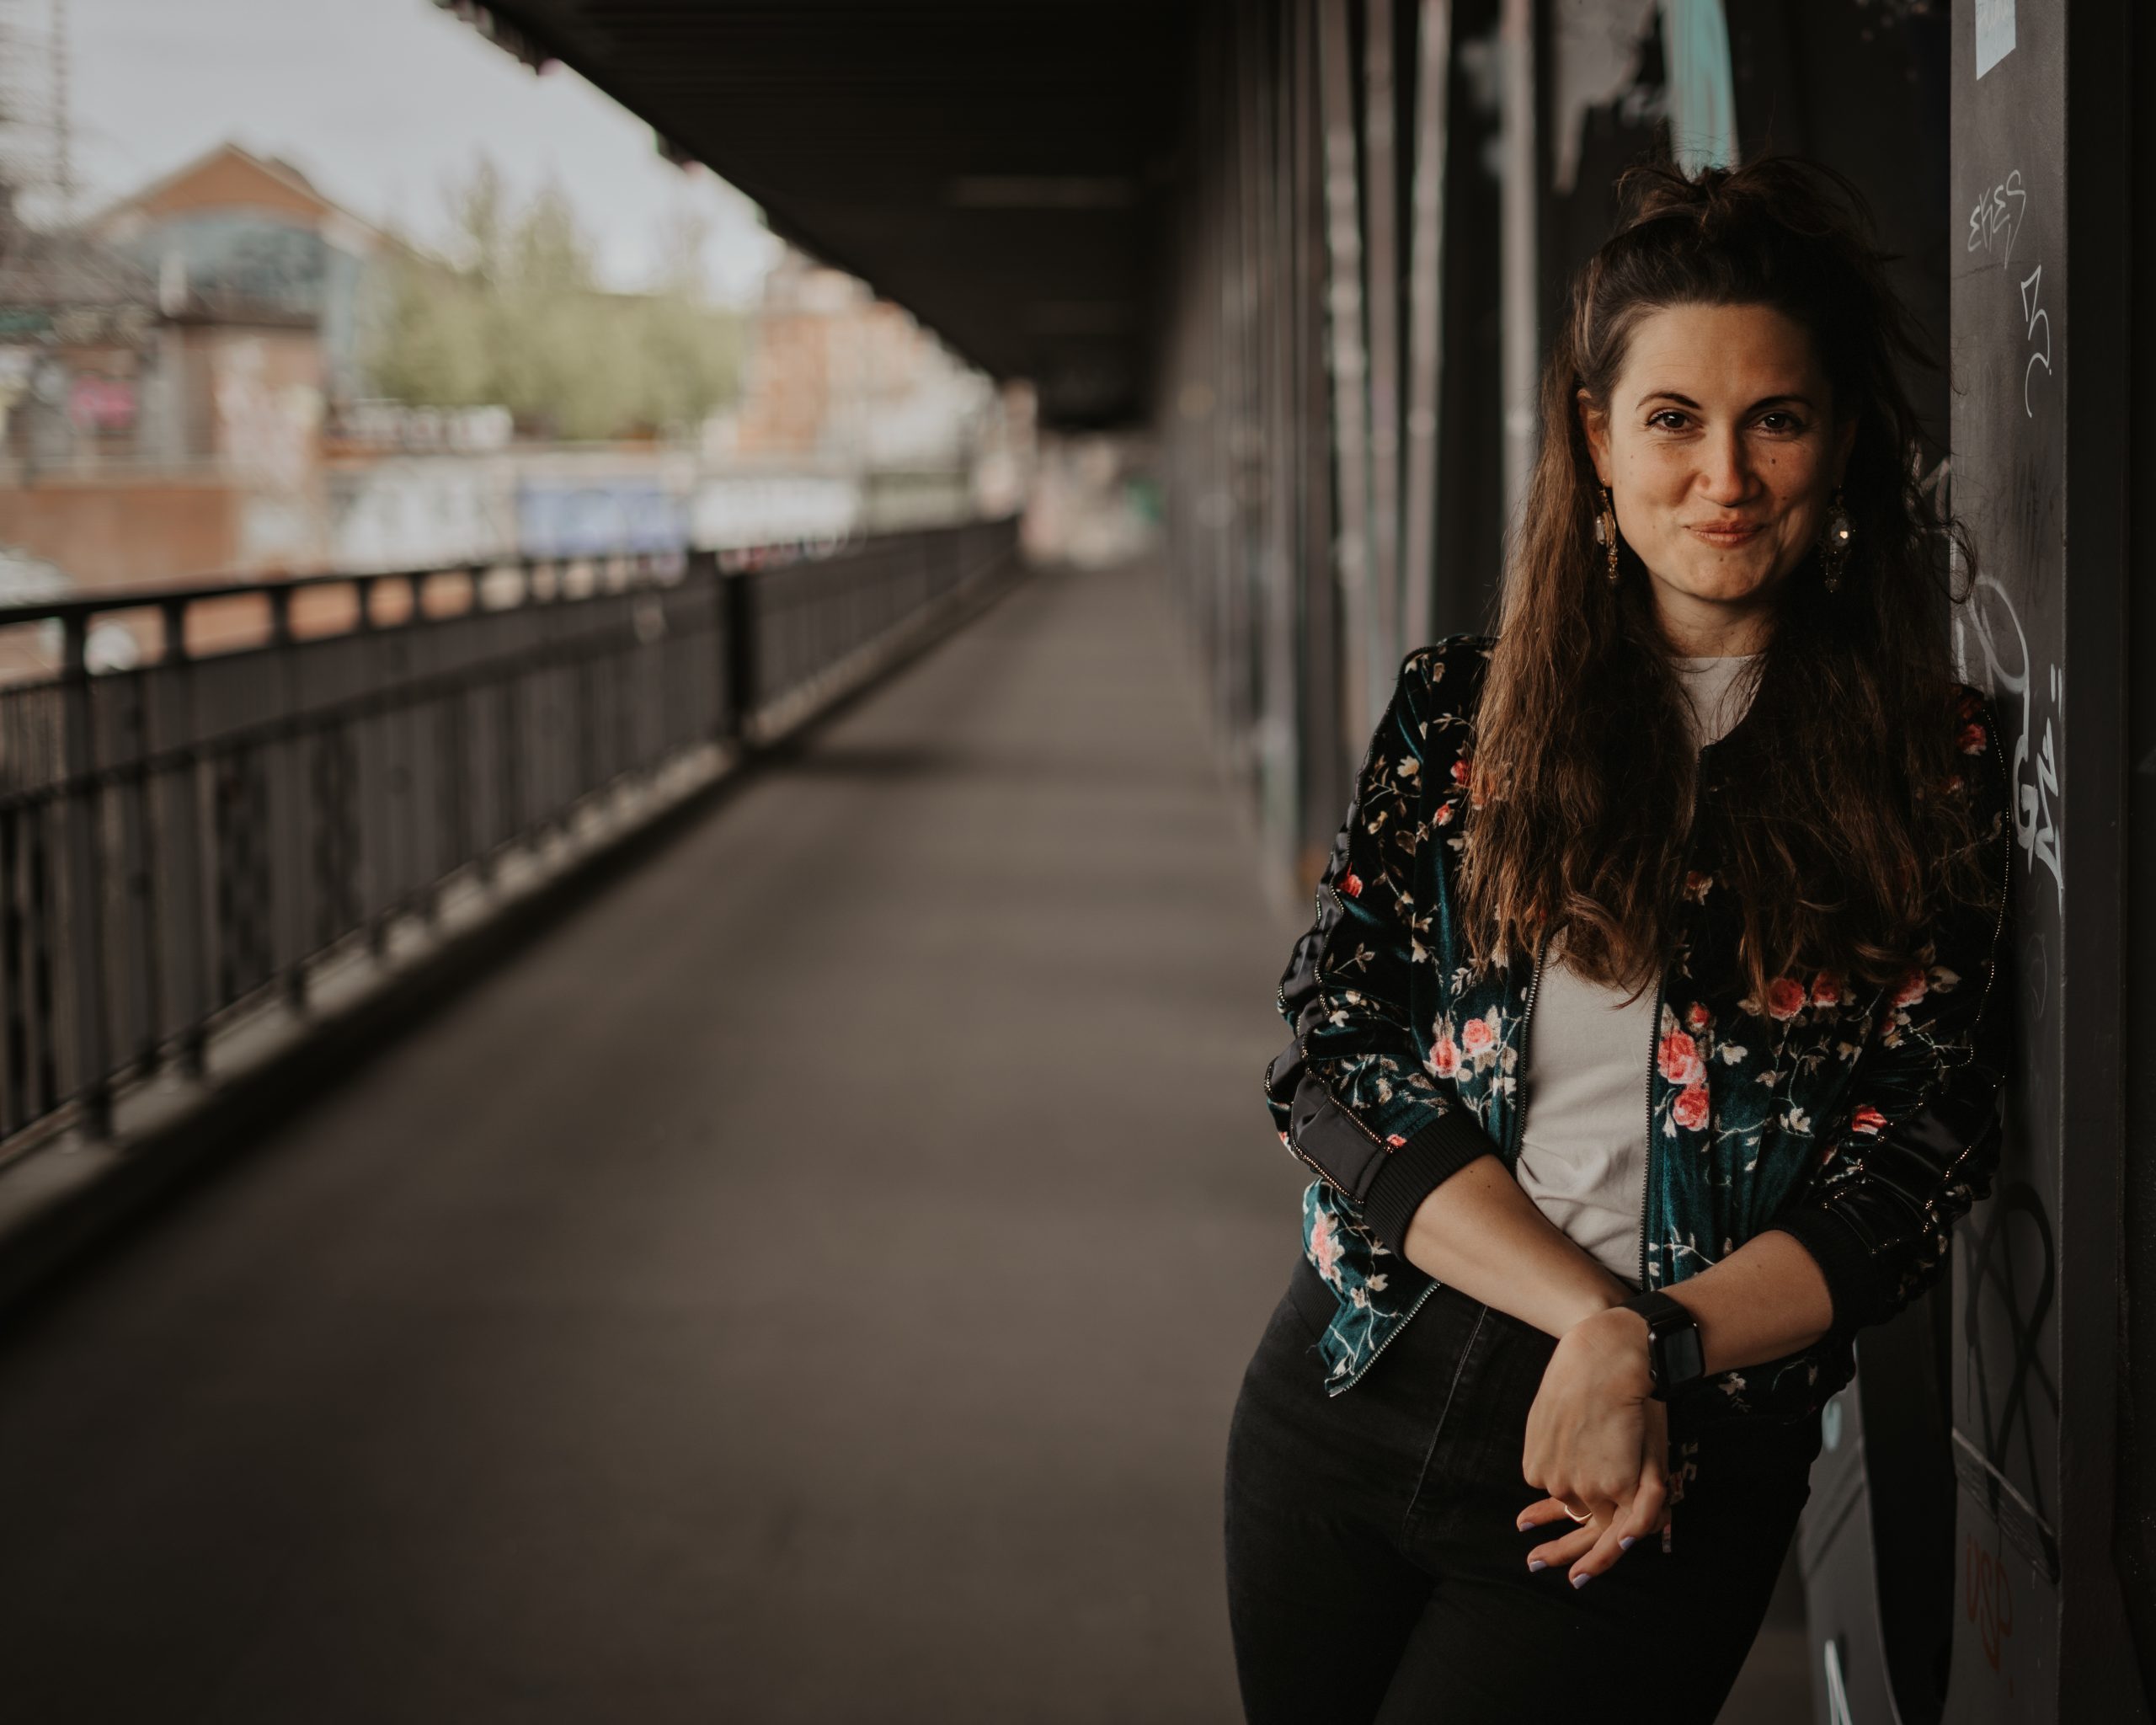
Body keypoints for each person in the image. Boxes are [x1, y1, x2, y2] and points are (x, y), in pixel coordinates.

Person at [1222, 156, 2013, 1724]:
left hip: (1660, 1475)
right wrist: (1600, 1321)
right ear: (1597, 441)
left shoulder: (1935, 771)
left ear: (1841, 440)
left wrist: (1650, 1358)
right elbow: (1334, 1054)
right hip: (1346, 1391)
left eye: (1776, 420)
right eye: (1673, 421)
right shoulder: (1464, 711)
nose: (1725, 474)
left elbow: (1916, 1161)